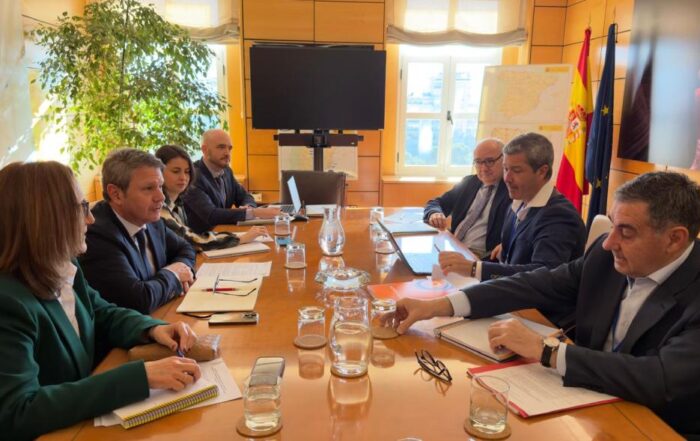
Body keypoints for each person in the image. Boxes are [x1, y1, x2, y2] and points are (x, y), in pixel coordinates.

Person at [395, 171, 700, 438]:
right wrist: (439, 306)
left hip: (654, 426)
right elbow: (536, 284)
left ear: (674, 239)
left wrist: (547, 351)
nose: (609, 243)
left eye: (627, 232)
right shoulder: (605, 255)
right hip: (585, 402)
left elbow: (659, 379)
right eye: (612, 226)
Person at [0, 161, 202, 440]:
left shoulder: (63, 265)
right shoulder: (8, 301)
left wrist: (152, 328)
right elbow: (17, 412)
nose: (91, 220)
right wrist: (139, 377)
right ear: (46, 218)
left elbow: (101, 311)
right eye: (82, 208)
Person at [438, 132, 586, 282]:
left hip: (530, 296)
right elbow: (515, 257)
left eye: (516, 170)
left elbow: (543, 276)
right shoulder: (518, 203)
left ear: (542, 171)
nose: (507, 178)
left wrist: (475, 268)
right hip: (508, 286)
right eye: (505, 169)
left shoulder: (559, 216)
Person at [79, 149, 196, 314]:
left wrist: (181, 269)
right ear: (116, 194)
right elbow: (138, 300)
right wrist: (173, 275)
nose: (161, 197)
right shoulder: (97, 235)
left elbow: (185, 248)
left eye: (160, 186)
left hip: (164, 315)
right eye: (149, 188)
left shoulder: (151, 220)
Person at [155, 145, 268, 251]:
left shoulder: (178, 203)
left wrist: (249, 209)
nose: (183, 177)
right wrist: (240, 238)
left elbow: (187, 240)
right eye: (176, 171)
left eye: (187, 172)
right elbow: (191, 240)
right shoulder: (159, 207)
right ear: (158, 173)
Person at [423, 138, 510, 258]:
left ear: (504, 159)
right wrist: (434, 213)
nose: (484, 168)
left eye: (490, 161)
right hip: (451, 245)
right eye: (478, 162)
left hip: (480, 256)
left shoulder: (512, 190)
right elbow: (436, 202)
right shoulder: (469, 182)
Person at [183, 129, 280, 233]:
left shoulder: (227, 171)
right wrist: (254, 212)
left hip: (223, 233)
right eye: (221, 147)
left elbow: (245, 196)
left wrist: (249, 207)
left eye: (229, 148)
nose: (227, 153)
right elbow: (211, 215)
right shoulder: (192, 177)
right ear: (205, 150)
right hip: (201, 239)